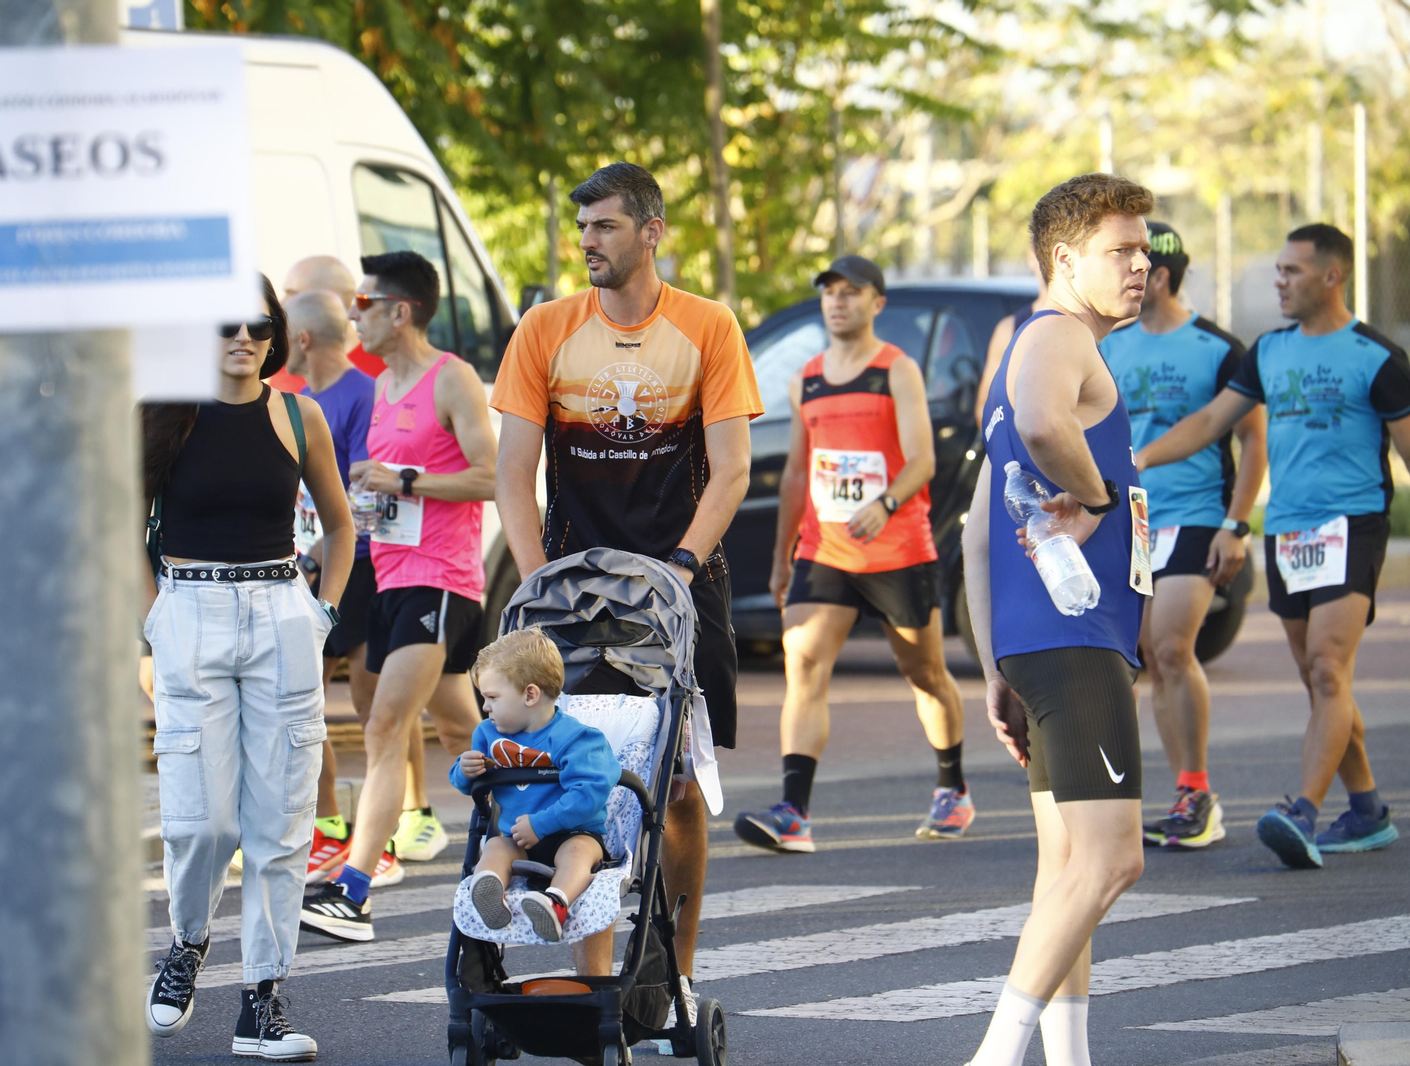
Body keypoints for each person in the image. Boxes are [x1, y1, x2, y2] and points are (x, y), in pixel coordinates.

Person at [492, 162, 761, 1007]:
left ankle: (675, 972)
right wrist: (539, 583)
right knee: (596, 776)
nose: (588, 243)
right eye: (583, 229)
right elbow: (513, 474)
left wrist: (678, 571)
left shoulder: (709, 327)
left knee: (677, 790)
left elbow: (731, 471)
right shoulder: (544, 328)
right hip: (575, 591)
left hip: (681, 584)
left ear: (651, 232)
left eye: (605, 227)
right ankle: (597, 982)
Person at [1138, 223, 1410, 868]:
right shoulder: (1267, 352)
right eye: (1279, 269)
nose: (1279, 281)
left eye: (1291, 271)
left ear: (1331, 276)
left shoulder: (1378, 358)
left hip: (1353, 524)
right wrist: (1139, 457)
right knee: (1321, 682)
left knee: (1325, 666)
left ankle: (1304, 815)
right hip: (1289, 530)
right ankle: (1367, 809)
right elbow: (1209, 422)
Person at [962, 173, 1154, 1066]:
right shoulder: (1055, 337)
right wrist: (1102, 493)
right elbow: (1044, 430)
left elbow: (973, 535)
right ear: (1065, 258)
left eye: (1146, 250)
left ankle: (1068, 1059)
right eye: (1122, 251)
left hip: (1046, 640)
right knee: (1114, 861)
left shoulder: (1035, 346)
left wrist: (994, 663)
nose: (1141, 266)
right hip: (1073, 640)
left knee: (1067, 870)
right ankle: (996, 1056)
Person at [141, 275, 352, 1062]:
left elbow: (339, 525)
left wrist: (321, 613)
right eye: (228, 323)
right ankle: (188, 944)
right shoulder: (165, 414)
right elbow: (126, 523)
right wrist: (149, 621)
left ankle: (261, 1000)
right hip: (188, 612)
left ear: (277, 334)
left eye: (260, 325)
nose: (245, 337)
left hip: (279, 610)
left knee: (280, 822)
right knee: (204, 819)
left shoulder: (300, 416)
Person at [734, 254, 970, 854]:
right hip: (826, 549)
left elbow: (923, 459)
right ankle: (795, 811)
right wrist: (784, 557)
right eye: (831, 292)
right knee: (804, 664)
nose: (838, 301)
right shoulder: (806, 378)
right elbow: (795, 472)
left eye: (852, 292)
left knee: (925, 674)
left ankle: (953, 787)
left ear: (877, 303)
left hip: (897, 548)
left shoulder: (897, 370)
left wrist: (885, 504)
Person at [299, 250, 494, 942]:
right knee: (464, 734)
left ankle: (353, 890)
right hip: (390, 581)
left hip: (440, 581)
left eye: (364, 303)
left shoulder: (453, 380)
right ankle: (544, 835)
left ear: (399, 311)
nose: (354, 314)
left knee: (382, 728)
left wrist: (407, 482)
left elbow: (490, 477)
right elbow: (371, 494)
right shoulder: (381, 390)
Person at [1099, 221, 1266, 850]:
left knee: (1172, 649)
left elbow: (1253, 442)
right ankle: (1172, 791)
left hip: (1196, 514)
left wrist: (1236, 523)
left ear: (1162, 274)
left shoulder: (1218, 349)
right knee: (1144, 654)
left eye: (1136, 265)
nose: (1129, 277)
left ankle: (1198, 793)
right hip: (1133, 519)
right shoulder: (1111, 344)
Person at [286, 263, 450, 872]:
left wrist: (322, 552)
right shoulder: (299, 401)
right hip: (320, 564)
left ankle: (406, 821)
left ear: (302, 339)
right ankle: (335, 824)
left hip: (364, 565)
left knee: (377, 706)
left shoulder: (362, 394)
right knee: (306, 697)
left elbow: (361, 492)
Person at [455, 628, 621, 944]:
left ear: (530, 695)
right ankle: (489, 889)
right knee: (494, 847)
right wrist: (464, 771)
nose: (486, 708)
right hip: (518, 837)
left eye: (492, 698)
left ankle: (555, 902)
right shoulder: (488, 735)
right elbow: (468, 786)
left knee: (579, 852)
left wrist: (543, 823)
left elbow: (591, 793)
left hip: (571, 832)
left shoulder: (577, 739)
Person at [977, 247, 1053, 428]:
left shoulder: (1094, 325)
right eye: (1044, 248)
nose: (1051, 261)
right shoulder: (1009, 329)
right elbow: (984, 408)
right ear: (1031, 257)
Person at [285, 254, 385, 377]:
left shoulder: (385, 368)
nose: (281, 303)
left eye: (293, 294)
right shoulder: (280, 367)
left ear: (330, 300)